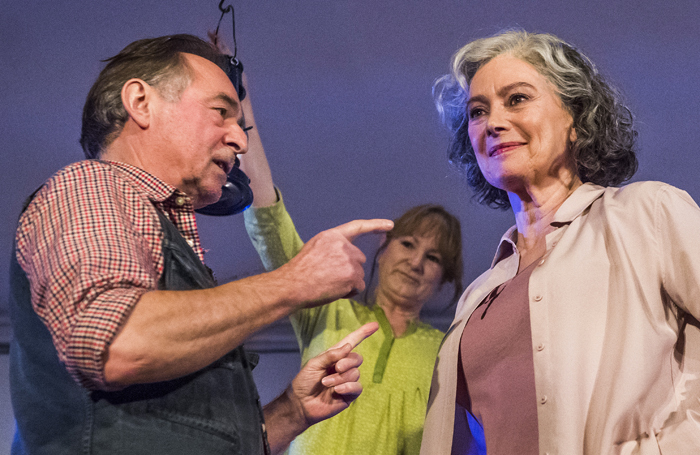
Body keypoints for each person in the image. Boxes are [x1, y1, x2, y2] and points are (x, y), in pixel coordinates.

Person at [9, 34, 395, 455]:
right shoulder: (91, 187)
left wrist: (291, 413)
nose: (240, 140)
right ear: (140, 102)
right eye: (221, 113)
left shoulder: (160, 236)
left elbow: (177, 433)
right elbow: (117, 343)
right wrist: (294, 281)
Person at [420, 30, 700, 455]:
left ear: (575, 118)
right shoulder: (476, 298)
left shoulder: (648, 213)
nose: (493, 121)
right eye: (478, 111)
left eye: (516, 99)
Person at [236, 78, 464, 454]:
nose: (416, 261)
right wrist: (239, 96)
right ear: (383, 248)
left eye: (434, 257)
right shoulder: (328, 311)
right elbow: (268, 219)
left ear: (444, 278)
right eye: (408, 244)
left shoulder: (448, 351)